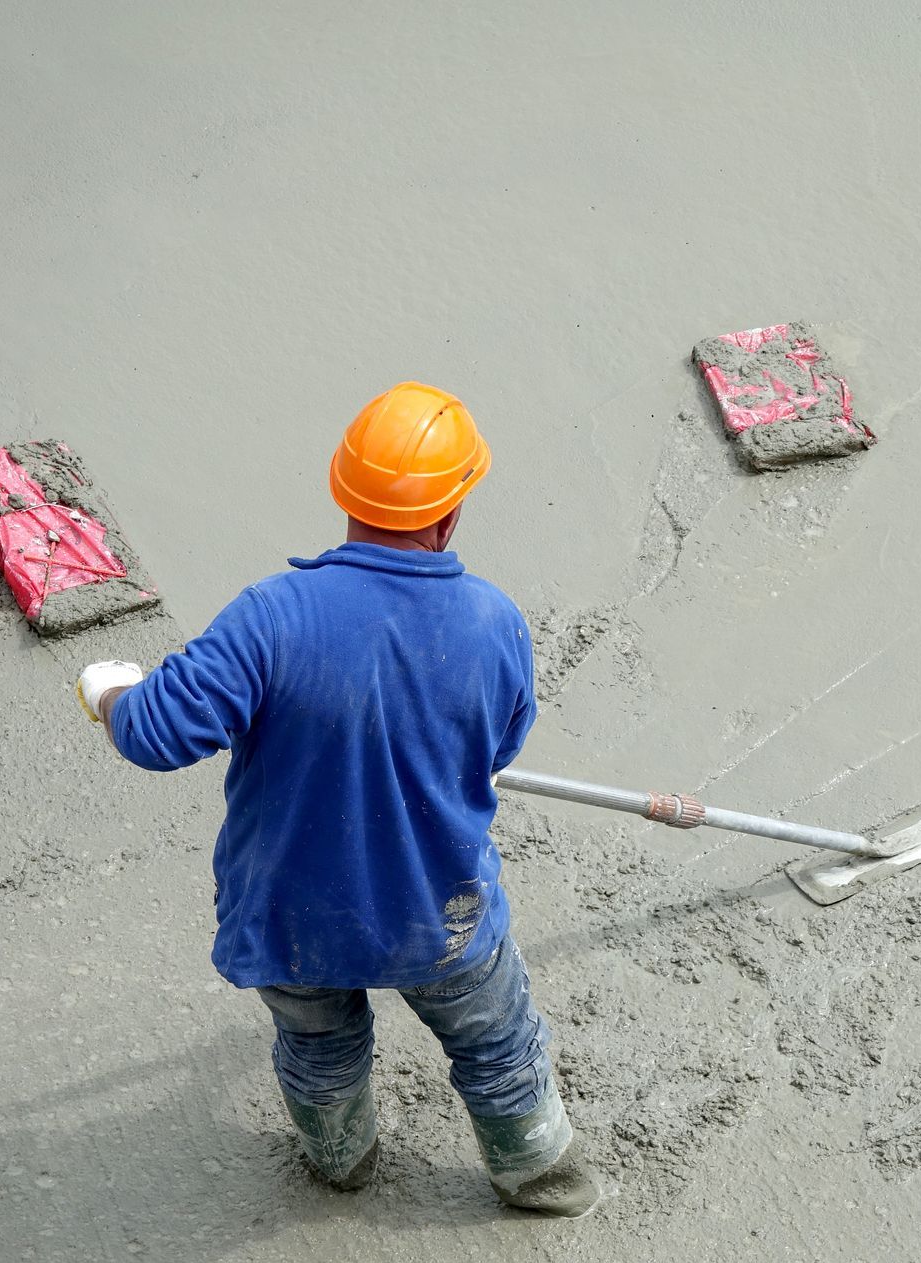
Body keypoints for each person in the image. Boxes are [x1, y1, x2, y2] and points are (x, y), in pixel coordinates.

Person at [73, 382, 601, 1217]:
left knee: (320, 1047)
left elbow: (154, 734)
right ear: (452, 512)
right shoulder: (494, 623)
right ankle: (538, 1175)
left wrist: (111, 692)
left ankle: (340, 1160)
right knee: (496, 1039)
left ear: (343, 491)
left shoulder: (271, 619)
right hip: (440, 913)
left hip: (293, 915)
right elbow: (499, 749)